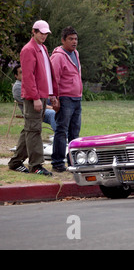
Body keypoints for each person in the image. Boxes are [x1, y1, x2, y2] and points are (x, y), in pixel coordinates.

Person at [8, 20, 59, 176]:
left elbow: (46, 74)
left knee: (30, 128)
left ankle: (16, 162)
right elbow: (28, 77)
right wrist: (35, 98)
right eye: (41, 33)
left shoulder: (42, 48)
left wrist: (52, 95)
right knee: (34, 130)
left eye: (46, 33)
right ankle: (36, 165)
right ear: (34, 32)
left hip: (42, 95)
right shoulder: (28, 49)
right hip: (34, 96)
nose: (43, 36)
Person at [51, 26, 82, 172]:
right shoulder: (58, 56)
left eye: (75, 39)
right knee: (61, 130)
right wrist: (54, 98)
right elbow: (53, 79)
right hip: (65, 98)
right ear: (63, 40)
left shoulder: (75, 53)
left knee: (74, 132)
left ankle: (73, 162)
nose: (74, 42)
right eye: (70, 39)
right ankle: (57, 163)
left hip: (77, 98)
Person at [12, 64, 57, 131]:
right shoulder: (18, 87)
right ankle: (60, 136)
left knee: (64, 105)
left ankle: (66, 134)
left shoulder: (29, 83)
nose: (24, 74)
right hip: (32, 110)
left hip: (42, 104)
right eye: (21, 72)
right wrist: (51, 108)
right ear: (16, 76)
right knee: (52, 113)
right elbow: (30, 103)